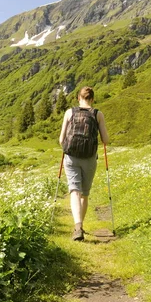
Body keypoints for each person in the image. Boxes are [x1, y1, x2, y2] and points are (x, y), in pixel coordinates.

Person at [59, 86, 110, 241]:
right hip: (89, 158)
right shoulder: (97, 114)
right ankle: (80, 225)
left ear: (78, 98)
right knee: (84, 194)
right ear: (92, 99)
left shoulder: (70, 112)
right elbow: (105, 140)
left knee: (74, 190)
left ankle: (77, 226)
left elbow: (61, 140)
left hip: (71, 157)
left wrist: (68, 148)